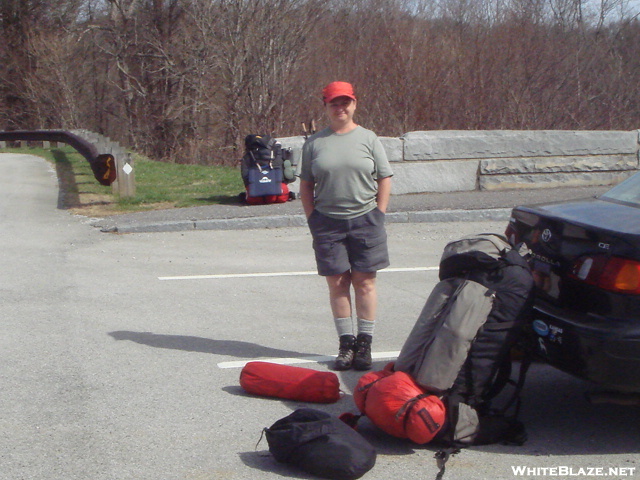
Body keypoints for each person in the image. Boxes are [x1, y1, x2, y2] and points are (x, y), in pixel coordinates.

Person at [299, 81, 393, 371]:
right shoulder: (315, 143)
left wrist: (379, 212)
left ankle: (364, 344)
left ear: (354, 104)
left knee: (365, 282)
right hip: (327, 222)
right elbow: (306, 184)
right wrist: (312, 217)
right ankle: (346, 345)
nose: (340, 108)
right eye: (334, 103)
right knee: (338, 284)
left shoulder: (369, 138)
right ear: (325, 107)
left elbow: (384, 177)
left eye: (345, 102)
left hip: (366, 219)